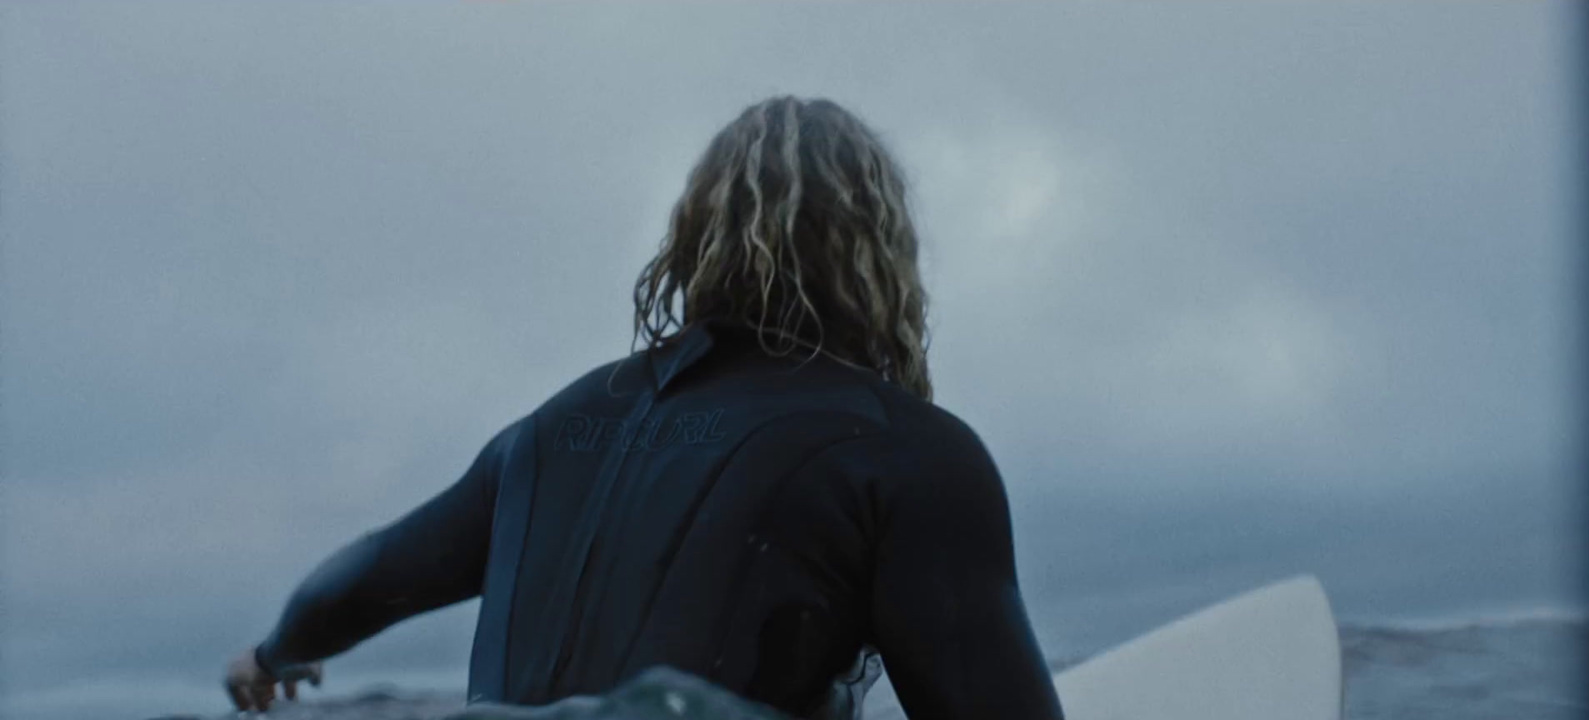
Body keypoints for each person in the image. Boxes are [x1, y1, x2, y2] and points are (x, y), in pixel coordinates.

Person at [224, 95, 1065, 720]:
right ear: (880, 256)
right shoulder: (905, 450)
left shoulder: (548, 433)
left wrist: (272, 656)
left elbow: (372, 576)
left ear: (694, 240)